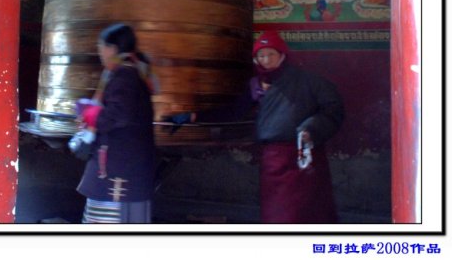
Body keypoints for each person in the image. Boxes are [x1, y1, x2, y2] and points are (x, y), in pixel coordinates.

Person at [166, 30, 344, 223]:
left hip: (300, 156)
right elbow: (233, 111)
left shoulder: (306, 81)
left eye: (271, 54)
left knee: (306, 213)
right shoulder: (256, 85)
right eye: (261, 55)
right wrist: (194, 116)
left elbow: (333, 107)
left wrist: (312, 128)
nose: (266, 60)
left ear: (282, 55)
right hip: (272, 160)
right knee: (276, 215)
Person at [75, 23, 157, 223]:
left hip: (118, 168)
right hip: (126, 164)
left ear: (112, 48)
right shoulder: (135, 72)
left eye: (101, 46)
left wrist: (91, 114)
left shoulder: (124, 75)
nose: (99, 52)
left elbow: (119, 115)